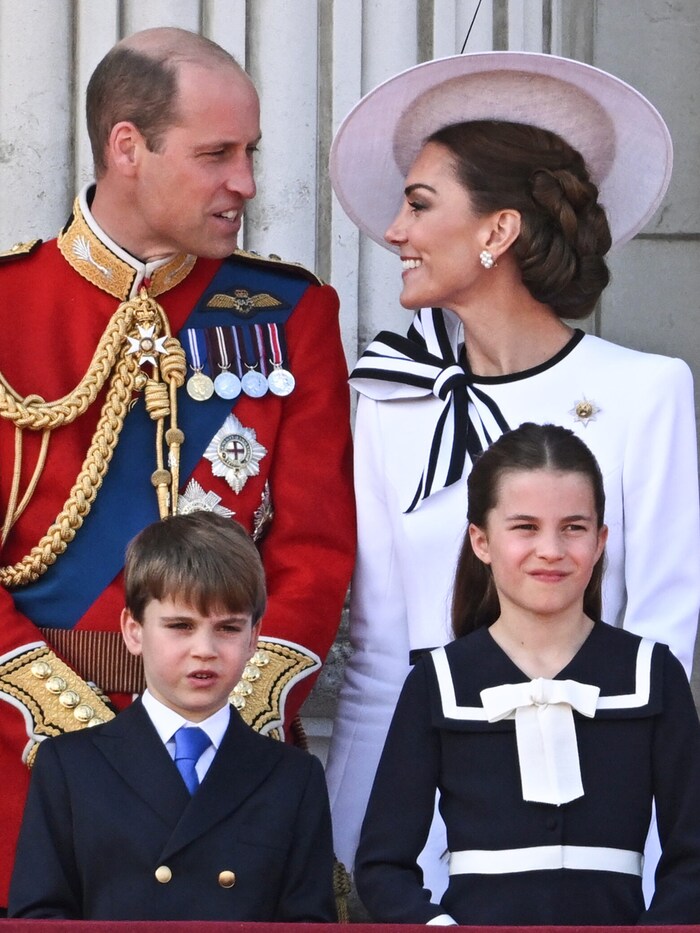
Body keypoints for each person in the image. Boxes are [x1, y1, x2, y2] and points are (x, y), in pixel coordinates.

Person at [325, 50, 700, 896]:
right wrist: (353, 830)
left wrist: (642, 858)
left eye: (420, 206)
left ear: (497, 231)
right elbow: (382, 652)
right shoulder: (391, 398)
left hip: (594, 830)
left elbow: (663, 640)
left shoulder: (645, 392)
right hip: (427, 826)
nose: (395, 231)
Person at [0, 26, 354, 909]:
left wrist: (231, 709)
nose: (247, 181)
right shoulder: (9, 306)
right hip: (21, 763)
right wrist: (62, 720)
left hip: (224, 763)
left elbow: (315, 546)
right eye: (218, 154)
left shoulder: (289, 310)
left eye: (251, 152)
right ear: (128, 146)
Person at [354, 423, 700, 925]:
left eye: (574, 527)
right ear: (481, 540)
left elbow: (693, 857)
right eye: (525, 527)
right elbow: (383, 866)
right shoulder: (439, 680)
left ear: (601, 540)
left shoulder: (652, 673)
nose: (551, 550)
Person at [8, 511, 336, 921]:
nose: (205, 649)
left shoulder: (293, 777)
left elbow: (307, 924)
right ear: (134, 631)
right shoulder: (71, 765)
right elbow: (40, 919)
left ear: (255, 637)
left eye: (229, 628)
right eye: (181, 626)